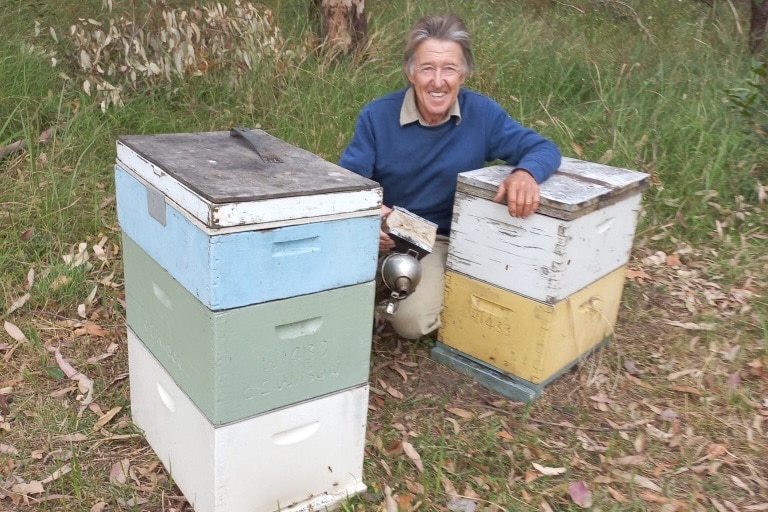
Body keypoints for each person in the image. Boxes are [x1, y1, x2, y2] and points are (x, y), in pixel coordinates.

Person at [339, 13, 561, 340]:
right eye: (428, 68)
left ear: (464, 74)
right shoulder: (377, 116)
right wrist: (372, 218)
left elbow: (542, 147)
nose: (438, 81)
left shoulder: (482, 114)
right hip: (384, 227)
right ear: (410, 72)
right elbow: (349, 184)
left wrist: (526, 173)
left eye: (449, 69)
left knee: (411, 323)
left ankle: (419, 295)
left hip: (437, 238)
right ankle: (368, 296)